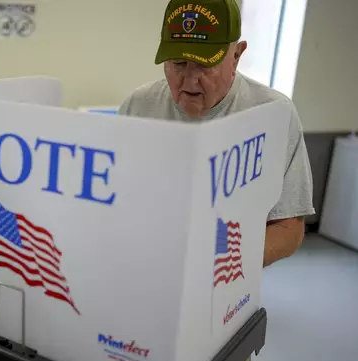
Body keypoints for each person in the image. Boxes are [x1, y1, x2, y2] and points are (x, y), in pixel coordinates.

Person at [118, 0, 315, 267]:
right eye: (178, 63)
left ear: (236, 55)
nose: (189, 80)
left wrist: (219, 265)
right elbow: (118, 200)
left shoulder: (273, 115)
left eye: (203, 65)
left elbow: (288, 228)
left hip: (227, 277)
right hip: (146, 266)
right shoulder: (139, 106)